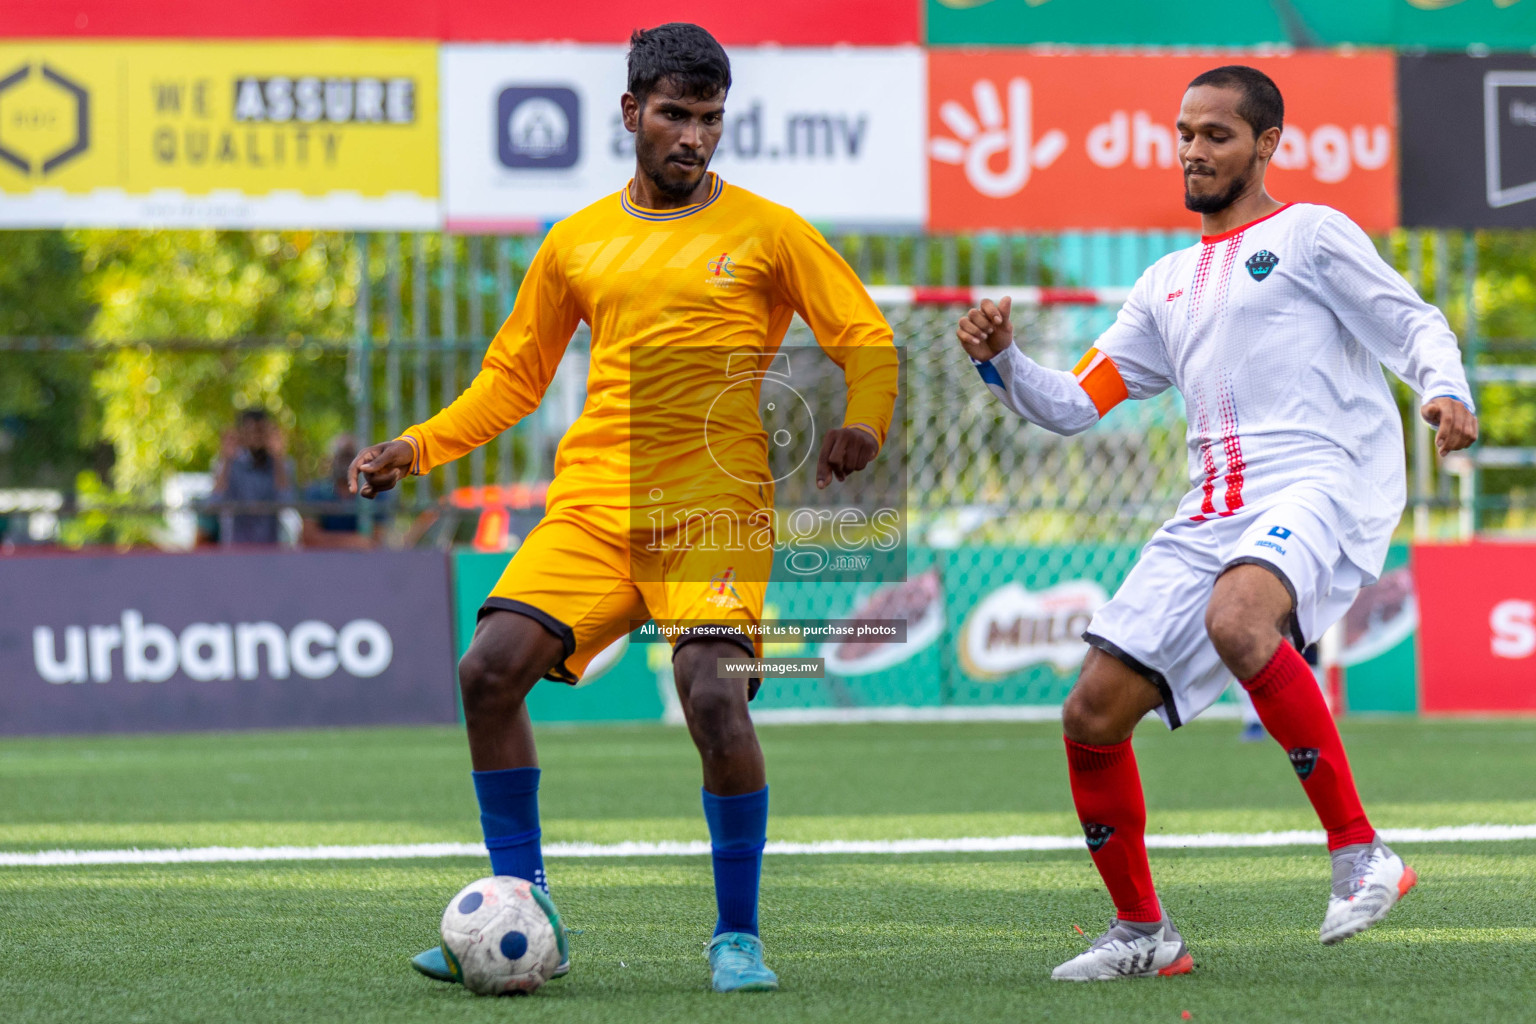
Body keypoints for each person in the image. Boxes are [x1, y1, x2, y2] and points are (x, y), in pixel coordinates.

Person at [349, 23, 898, 994]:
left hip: (713, 513)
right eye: (676, 115)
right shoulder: (577, 241)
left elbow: (867, 337)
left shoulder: (769, 232)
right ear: (631, 111)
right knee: (486, 672)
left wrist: (865, 421)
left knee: (713, 692)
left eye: (711, 120)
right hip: (597, 507)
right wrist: (417, 446)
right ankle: (525, 898)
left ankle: (737, 937)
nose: (694, 137)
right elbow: (512, 380)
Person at [956, 65, 1477, 980]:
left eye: (1217, 135)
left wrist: (1443, 390)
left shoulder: (1311, 234)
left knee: (1239, 620)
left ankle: (1363, 853)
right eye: (1186, 133)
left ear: (1267, 143)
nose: (1194, 150)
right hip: (1213, 511)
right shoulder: (1163, 283)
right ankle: (1144, 935)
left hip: (1320, 479)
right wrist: (1004, 362)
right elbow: (1076, 403)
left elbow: (1415, 323)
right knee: (1091, 712)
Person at [211, 408, 294, 546]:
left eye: (260, 432)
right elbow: (215, 503)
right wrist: (226, 459)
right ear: (241, 434)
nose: (256, 437)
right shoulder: (228, 464)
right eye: (250, 432)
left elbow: (287, 502)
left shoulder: (282, 465)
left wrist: (278, 457)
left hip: (270, 551)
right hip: (236, 550)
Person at [300, 434, 391, 550]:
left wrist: (328, 540)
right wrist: (353, 541)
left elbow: (376, 540)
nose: (349, 463)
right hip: (323, 562)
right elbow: (309, 538)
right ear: (333, 459)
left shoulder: (378, 493)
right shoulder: (316, 492)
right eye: (343, 456)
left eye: (352, 456)